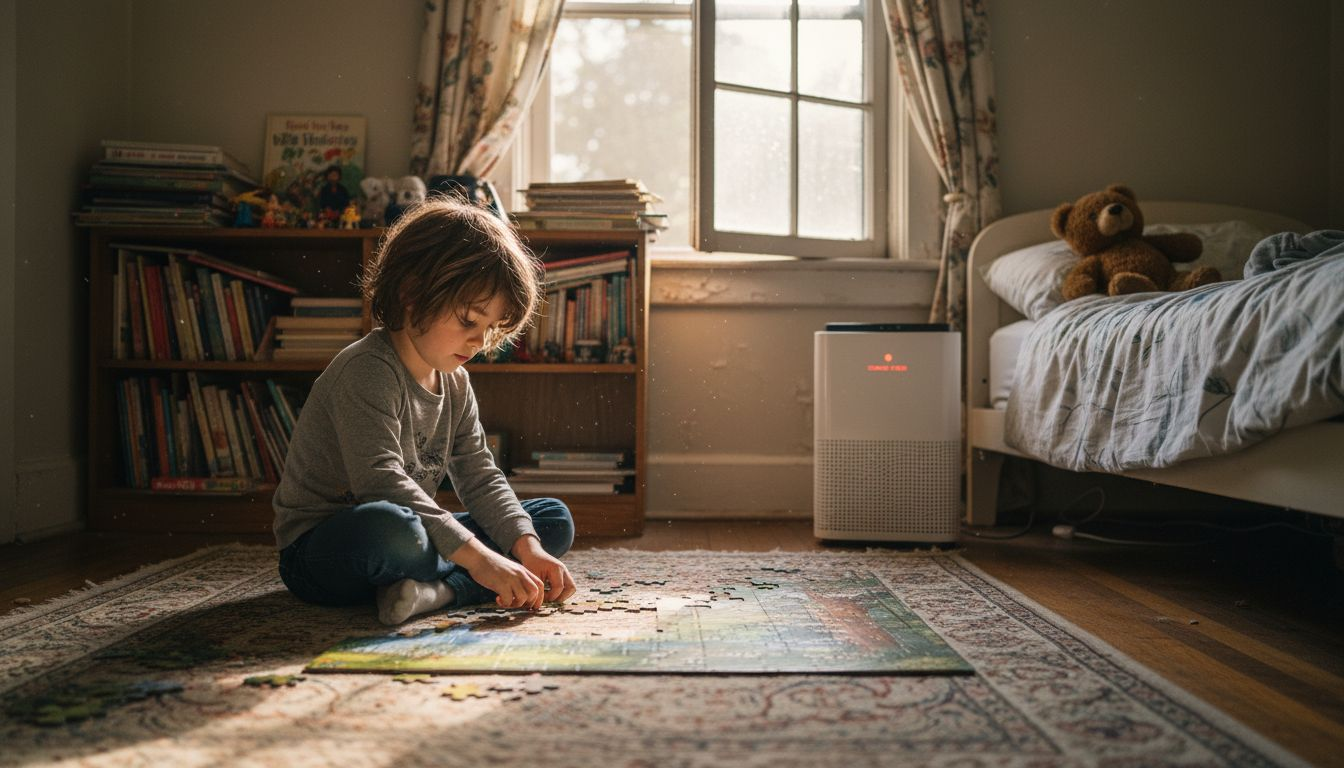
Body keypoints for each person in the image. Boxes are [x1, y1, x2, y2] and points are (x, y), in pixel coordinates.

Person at [272, 198, 578, 625]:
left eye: (490, 329)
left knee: (550, 521)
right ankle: (460, 580)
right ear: (412, 296)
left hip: (413, 530)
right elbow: (381, 482)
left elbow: (480, 474)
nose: (478, 342)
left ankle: (434, 592)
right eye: (469, 320)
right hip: (330, 549)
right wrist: (481, 558)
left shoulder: (454, 380)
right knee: (395, 532)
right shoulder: (367, 369)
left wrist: (527, 547)